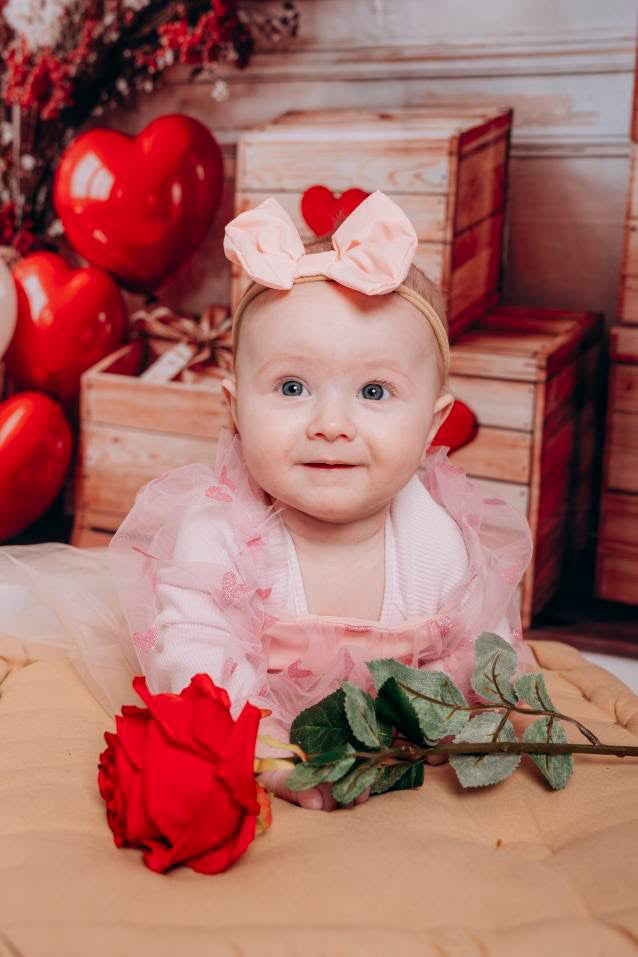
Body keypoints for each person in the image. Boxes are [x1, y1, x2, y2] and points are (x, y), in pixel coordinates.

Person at [0, 191, 533, 813]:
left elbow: (479, 644)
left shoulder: (437, 541)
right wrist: (264, 746)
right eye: (292, 386)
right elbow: (193, 654)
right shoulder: (218, 532)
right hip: (253, 712)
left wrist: (434, 720)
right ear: (234, 409)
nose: (331, 423)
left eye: (374, 390)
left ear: (431, 425)